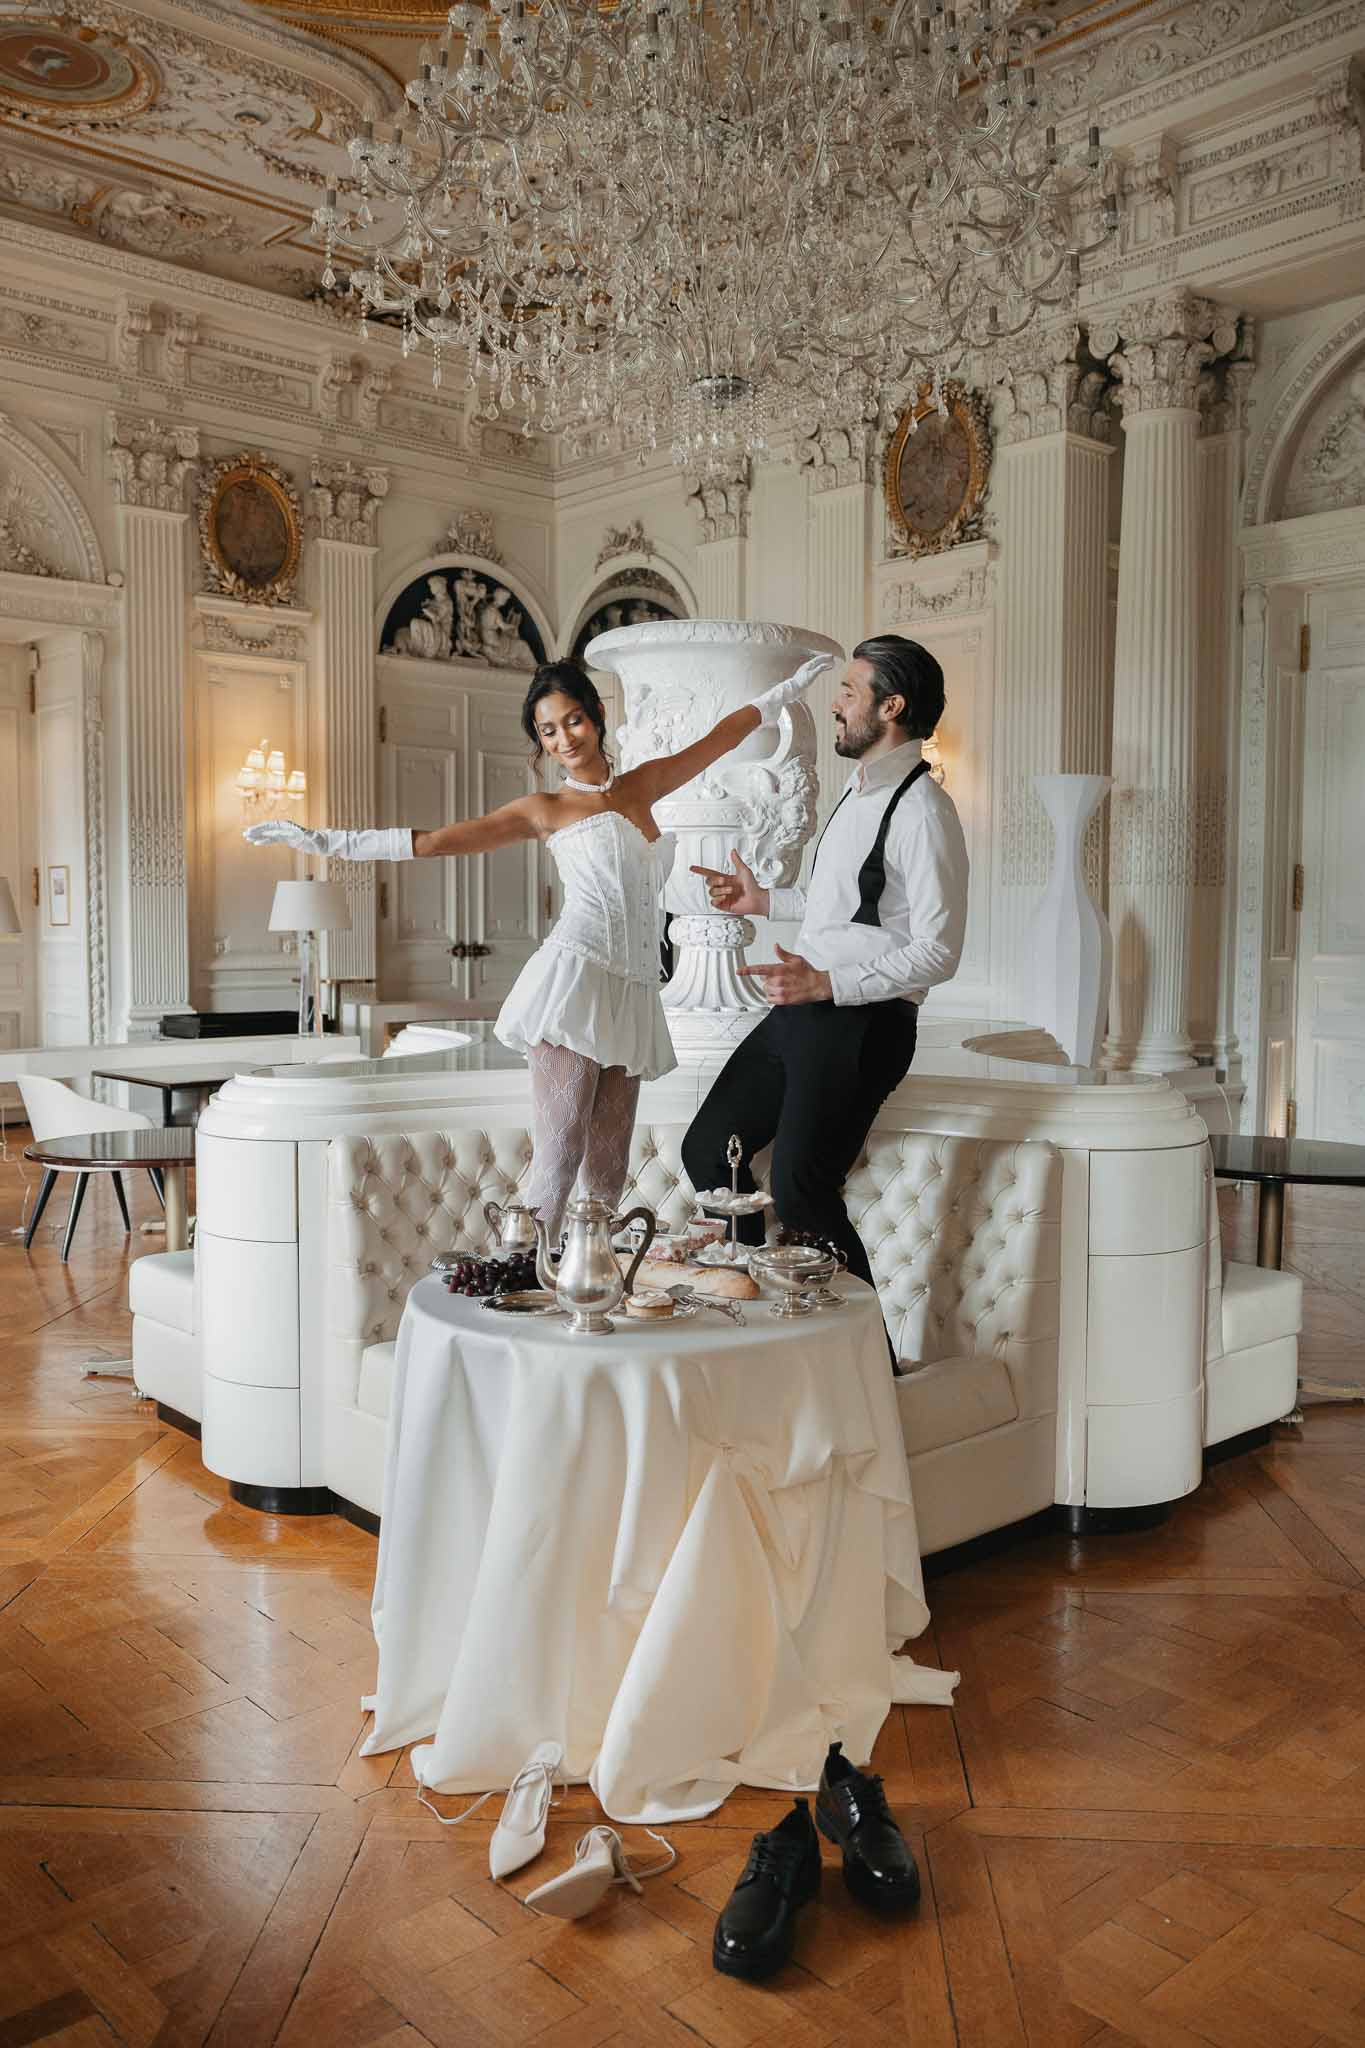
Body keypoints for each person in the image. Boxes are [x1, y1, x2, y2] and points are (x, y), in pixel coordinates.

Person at [243, 652, 834, 1241]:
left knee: (608, 1173)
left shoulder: (642, 786)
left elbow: (721, 737)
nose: (563, 739)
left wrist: (786, 691)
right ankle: (513, 1282)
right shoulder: (544, 810)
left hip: (631, 991)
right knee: (559, 1159)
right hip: (574, 979)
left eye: (572, 720)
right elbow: (434, 842)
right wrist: (323, 841)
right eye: (547, 731)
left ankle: (591, 1292)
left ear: (597, 716)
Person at [683, 634, 969, 1300]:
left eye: (848, 690)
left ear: (889, 705)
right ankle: (755, 1308)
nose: (836, 704)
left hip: (863, 1023)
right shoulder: (858, 794)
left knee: (799, 1188)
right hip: (805, 1010)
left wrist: (830, 984)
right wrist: (762, 900)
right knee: (707, 1153)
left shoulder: (925, 812)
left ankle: (870, 1364)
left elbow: (939, 949)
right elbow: (845, 911)